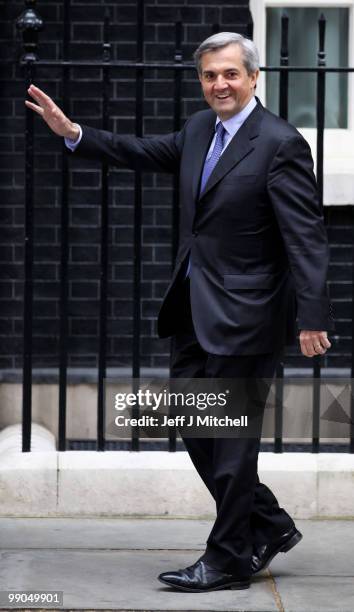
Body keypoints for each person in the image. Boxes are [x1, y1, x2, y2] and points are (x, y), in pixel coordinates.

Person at [26, 32, 333, 593]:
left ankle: (226, 559)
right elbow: (144, 152)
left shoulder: (280, 143)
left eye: (231, 74)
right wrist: (74, 134)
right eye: (210, 75)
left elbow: (306, 239)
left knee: (233, 438)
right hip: (194, 309)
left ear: (254, 77)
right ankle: (269, 524)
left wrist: (312, 317)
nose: (219, 84)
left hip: (250, 315)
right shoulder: (198, 130)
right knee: (196, 425)